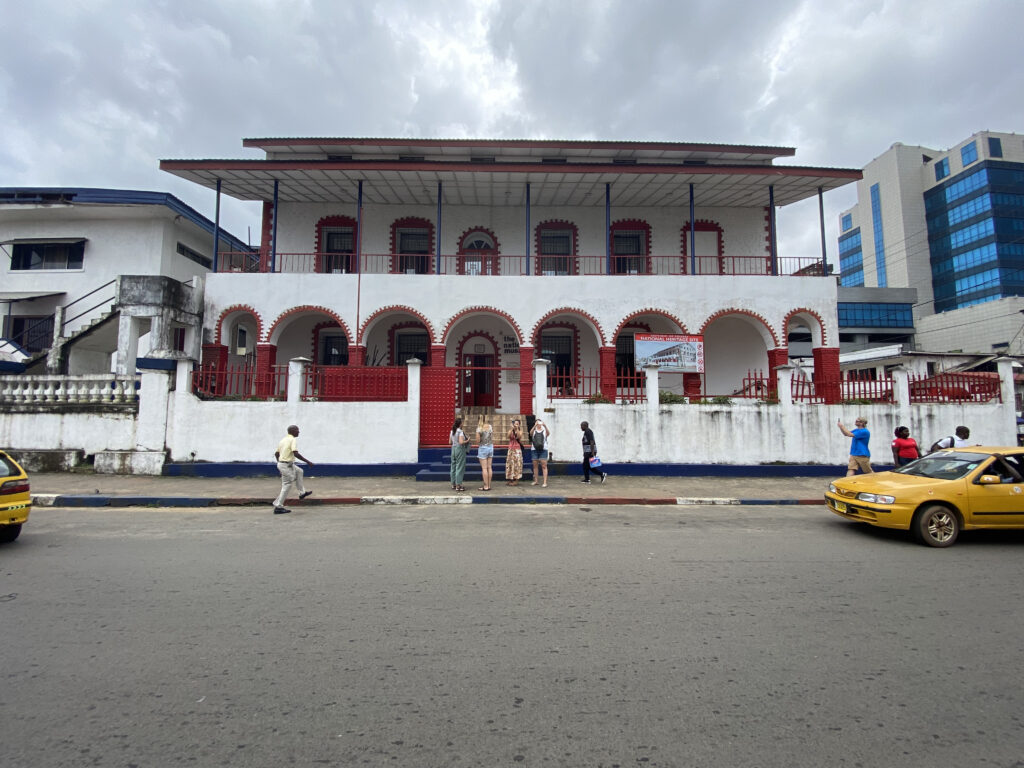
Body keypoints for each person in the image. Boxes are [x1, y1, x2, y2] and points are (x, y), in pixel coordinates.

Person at [273, 424, 314, 515]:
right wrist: (307, 461)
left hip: (286, 464)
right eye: (297, 430)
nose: (298, 432)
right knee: (287, 485)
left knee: (299, 471)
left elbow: (276, 454)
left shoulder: (283, 440)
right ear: (292, 431)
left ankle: (302, 493)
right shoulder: (292, 440)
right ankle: (278, 506)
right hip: (285, 465)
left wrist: (279, 465)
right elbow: (296, 453)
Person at [450, 417, 469, 492]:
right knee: (460, 467)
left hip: (453, 449)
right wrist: (467, 440)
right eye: (462, 423)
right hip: (460, 449)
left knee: (453, 466)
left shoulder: (452, 431)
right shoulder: (460, 432)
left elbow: (449, 442)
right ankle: (458, 485)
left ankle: (453, 484)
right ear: (460, 424)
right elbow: (461, 442)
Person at [530, 418, 551, 488]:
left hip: (543, 449)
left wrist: (545, 426)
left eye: (539, 423)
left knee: (544, 466)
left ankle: (545, 482)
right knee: (535, 466)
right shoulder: (534, 430)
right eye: (537, 423)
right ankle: (536, 481)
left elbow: (548, 434)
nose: (538, 424)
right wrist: (534, 426)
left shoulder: (544, 430)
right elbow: (530, 433)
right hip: (534, 449)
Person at [476, 418, 494, 491]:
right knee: (489, 467)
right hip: (490, 447)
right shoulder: (490, 426)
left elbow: (478, 440)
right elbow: (491, 437)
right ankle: (489, 485)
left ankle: (485, 486)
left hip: (483, 448)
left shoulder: (479, 429)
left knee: (484, 468)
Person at [505, 419, 525, 486]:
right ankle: (510, 479)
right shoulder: (511, 430)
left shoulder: (520, 431)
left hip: (517, 449)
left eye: (517, 423)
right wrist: (511, 429)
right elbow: (508, 436)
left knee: (517, 464)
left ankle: (516, 480)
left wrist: (516, 430)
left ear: (519, 424)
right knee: (510, 464)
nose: (516, 424)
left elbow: (519, 437)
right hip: (511, 448)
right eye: (515, 423)